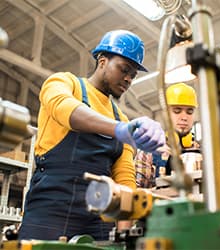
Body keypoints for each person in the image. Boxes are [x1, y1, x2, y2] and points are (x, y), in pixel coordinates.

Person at [18, 30, 165, 241]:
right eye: (124, 69)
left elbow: (124, 180)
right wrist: (119, 130)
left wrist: (124, 234)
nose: (128, 79)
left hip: (99, 221)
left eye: (133, 75)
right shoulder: (64, 83)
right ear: (103, 61)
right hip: (50, 211)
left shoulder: (121, 117)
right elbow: (64, 108)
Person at [135, 82, 199, 188]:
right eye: (177, 111)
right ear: (166, 114)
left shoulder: (203, 153)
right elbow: (138, 194)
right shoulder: (148, 152)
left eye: (189, 112)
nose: (184, 117)